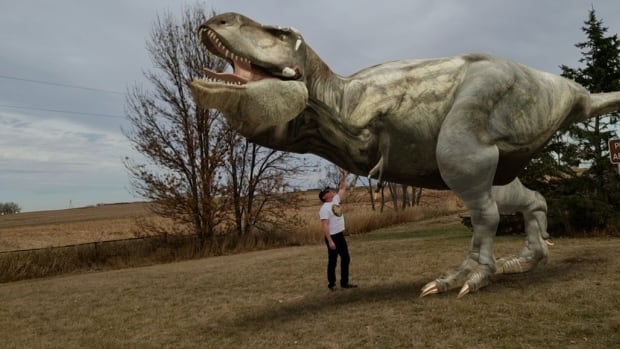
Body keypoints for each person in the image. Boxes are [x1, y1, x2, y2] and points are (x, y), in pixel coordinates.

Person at [318, 168, 358, 291]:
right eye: (327, 191)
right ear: (325, 197)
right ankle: (332, 284)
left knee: (346, 258)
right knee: (333, 261)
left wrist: (344, 176)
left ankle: (344, 283)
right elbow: (324, 225)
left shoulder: (335, 200)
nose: (330, 191)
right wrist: (330, 241)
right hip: (332, 237)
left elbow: (342, 188)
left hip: (340, 235)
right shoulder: (324, 208)